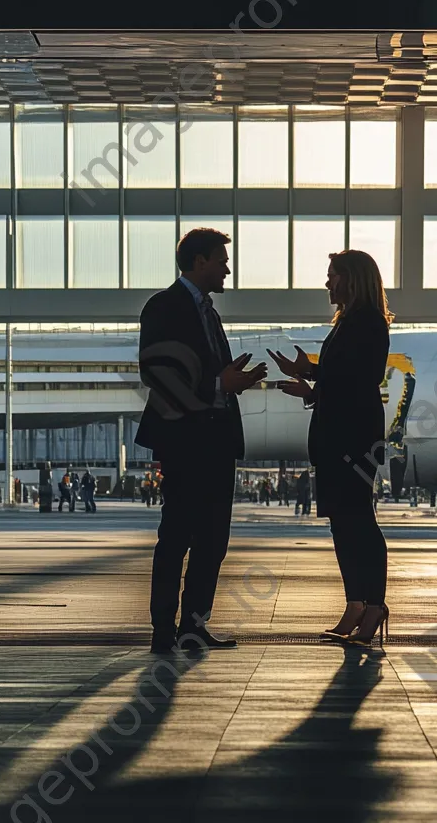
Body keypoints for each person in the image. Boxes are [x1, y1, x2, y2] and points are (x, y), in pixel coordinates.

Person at [135, 227, 267, 654]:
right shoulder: (163, 307)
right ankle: (162, 630)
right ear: (199, 262)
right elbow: (156, 372)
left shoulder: (209, 312)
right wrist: (217, 383)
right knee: (176, 536)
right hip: (184, 442)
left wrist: (232, 383)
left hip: (217, 441)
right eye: (221, 260)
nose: (227, 268)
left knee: (213, 540)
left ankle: (193, 626)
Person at [270, 249, 392, 647]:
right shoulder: (348, 323)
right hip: (341, 434)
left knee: (358, 522)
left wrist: (313, 384)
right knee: (344, 522)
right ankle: (356, 604)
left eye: (332, 276)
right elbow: (347, 375)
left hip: (353, 437)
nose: (327, 283)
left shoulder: (368, 321)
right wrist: (309, 373)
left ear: (352, 279)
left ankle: (373, 605)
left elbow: (363, 378)